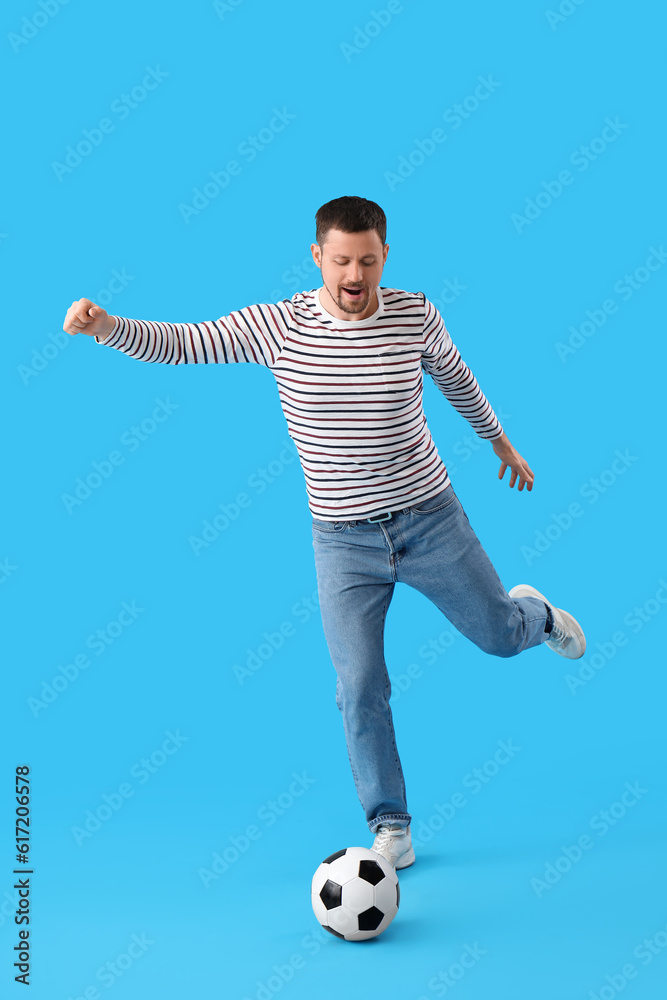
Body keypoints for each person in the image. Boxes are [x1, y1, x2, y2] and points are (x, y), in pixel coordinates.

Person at [63, 195, 585, 871]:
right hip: (343, 543)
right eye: (341, 259)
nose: (354, 273)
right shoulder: (278, 326)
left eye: (367, 260)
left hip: (429, 519)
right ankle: (389, 822)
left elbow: (456, 377)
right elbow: (187, 343)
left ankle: (536, 615)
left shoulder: (413, 313)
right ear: (318, 257)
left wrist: (500, 444)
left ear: (384, 258)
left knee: (497, 637)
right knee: (358, 681)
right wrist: (109, 326)